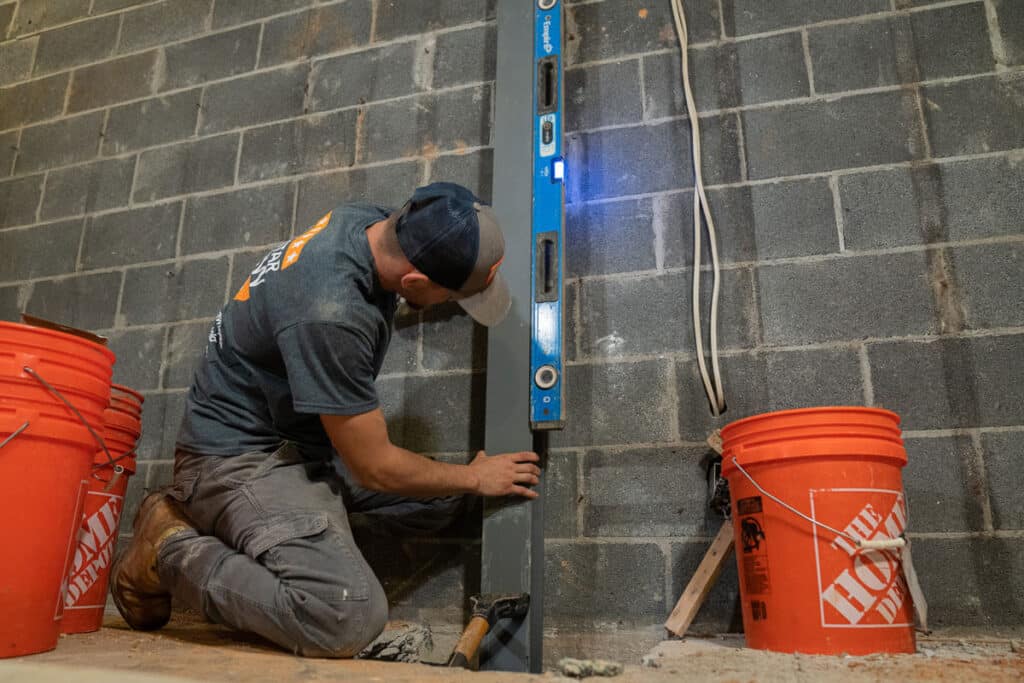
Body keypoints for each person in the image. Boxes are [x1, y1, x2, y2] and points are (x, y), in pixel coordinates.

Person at [109, 182, 541, 657]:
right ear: (415, 282)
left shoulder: (371, 224)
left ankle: (273, 532)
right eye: (449, 296)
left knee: (443, 500)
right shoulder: (331, 314)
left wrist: (464, 483)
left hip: (296, 445)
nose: (446, 304)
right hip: (233, 460)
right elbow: (373, 467)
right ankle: (166, 548)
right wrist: (476, 477)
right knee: (346, 615)